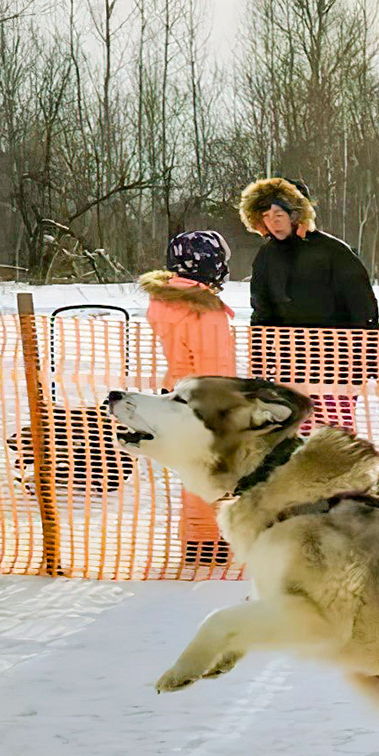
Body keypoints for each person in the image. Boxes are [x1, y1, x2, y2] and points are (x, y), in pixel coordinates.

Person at [237, 177, 379, 432]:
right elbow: (262, 312)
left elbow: (363, 307)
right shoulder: (266, 257)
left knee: (332, 433)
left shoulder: (334, 252)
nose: (274, 221)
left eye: (280, 213)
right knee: (295, 430)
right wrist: (260, 359)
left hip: (338, 362)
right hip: (290, 362)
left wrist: (369, 356)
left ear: (298, 213)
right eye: (267, 215)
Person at [139, 230, 237, 565]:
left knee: (194, 472)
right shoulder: (205, 312)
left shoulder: (166, 302)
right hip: (204, 399)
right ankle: (208, 542)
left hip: (177, 391)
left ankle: (197, 539)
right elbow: (215, 365)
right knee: (213, 472)